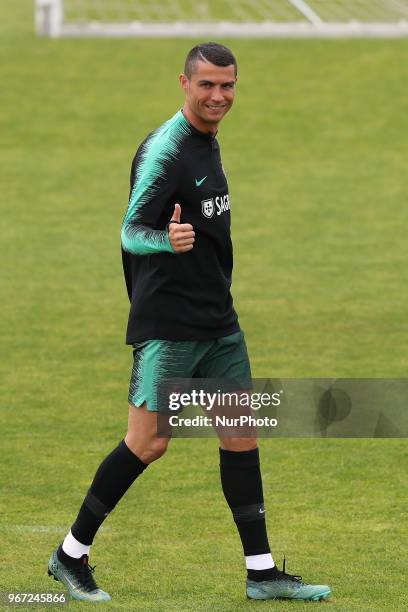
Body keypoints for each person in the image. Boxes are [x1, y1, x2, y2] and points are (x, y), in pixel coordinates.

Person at [48, 42, 331, 603]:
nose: (219, 96)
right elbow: (130, 229)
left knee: (241, 435)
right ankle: (68, 557)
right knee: (147, 443)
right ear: (184, 83)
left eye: (228, 85)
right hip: (169, 325)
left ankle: (262, 573)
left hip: (218, 321)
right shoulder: (165, 149)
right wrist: (167, 240)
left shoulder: (208, 142)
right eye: (207, 85)